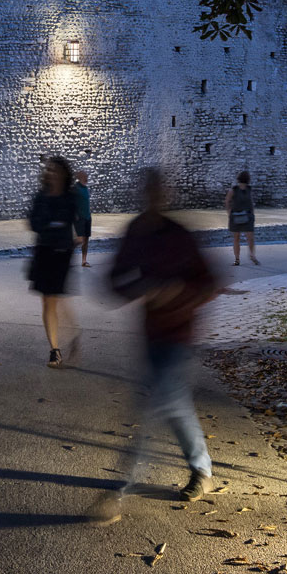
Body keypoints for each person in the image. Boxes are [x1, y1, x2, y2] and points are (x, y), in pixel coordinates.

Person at [92, 168, 218, 523]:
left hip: (180, 333)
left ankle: (121, 487)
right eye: (150, 191)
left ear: (167, 195)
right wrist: (138, 289)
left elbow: (208, 283)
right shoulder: (136, 233)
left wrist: (177, 293)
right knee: (174, 405)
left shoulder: (180, 236)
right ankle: (203, 469)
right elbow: (115, 279)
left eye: (160, 191)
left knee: (159, 401)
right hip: (150, 333)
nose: (155, 197)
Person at [28, 156, 81, 368]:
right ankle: (54, 350)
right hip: (44, 252)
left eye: (55, 170)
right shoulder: (41, 197)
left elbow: (73, 220)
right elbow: (34, 223)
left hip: (62, 252)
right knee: (47, 299)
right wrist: (51, 225)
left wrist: (56, 227)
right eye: (49, 170)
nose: (51, 173)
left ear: (64, 174)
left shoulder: (70, 197)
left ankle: (73, 332)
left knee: (56, 297)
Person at [225, 170, 259, 266]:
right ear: (248, 179)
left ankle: (239, 259)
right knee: (248, 238)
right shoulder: (235, 190)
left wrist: (229, 212)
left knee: (238, 238)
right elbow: (228, 201)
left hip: (244, 216)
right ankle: (248, 257)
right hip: (237, 216)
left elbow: (227, 202)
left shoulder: (244, 189)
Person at [73, 170, 93, 267]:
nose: (87, 178)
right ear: (80, 177)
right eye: (85, 176)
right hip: (79, 218)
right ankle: (66, 254)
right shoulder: (75, 188)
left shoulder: (85, 188)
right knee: (79, 240)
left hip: (87, 217)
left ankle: (84, 261)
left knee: (85, 240)